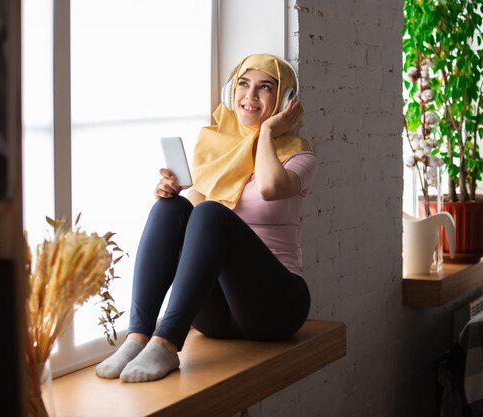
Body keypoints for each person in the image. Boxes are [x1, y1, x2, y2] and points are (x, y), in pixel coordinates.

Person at [95, 54, 317, 383]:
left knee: (213, 212)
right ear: (231, 92)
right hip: (216, 317)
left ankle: (167, 344)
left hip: (275, 308)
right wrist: (173, 192)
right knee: (171, 208)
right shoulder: (215, 147)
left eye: (265, 87)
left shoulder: (300, 155)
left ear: (285, 101)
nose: (250, 95)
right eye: (243, 84)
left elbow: (270, 187)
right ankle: (138, 338)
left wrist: (268, 131)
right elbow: (194, 219)